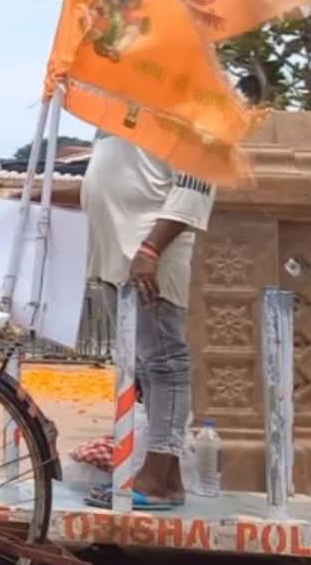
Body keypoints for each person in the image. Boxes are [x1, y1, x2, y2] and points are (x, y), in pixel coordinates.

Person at [79, 131, 213, 509]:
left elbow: (194, 186)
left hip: (149, 255)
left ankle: (154, 478)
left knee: (165, 365)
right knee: (147, 369)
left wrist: (152, 248)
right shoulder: (119, 110)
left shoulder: (191, 110)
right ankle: (167, 479)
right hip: (115, 257)